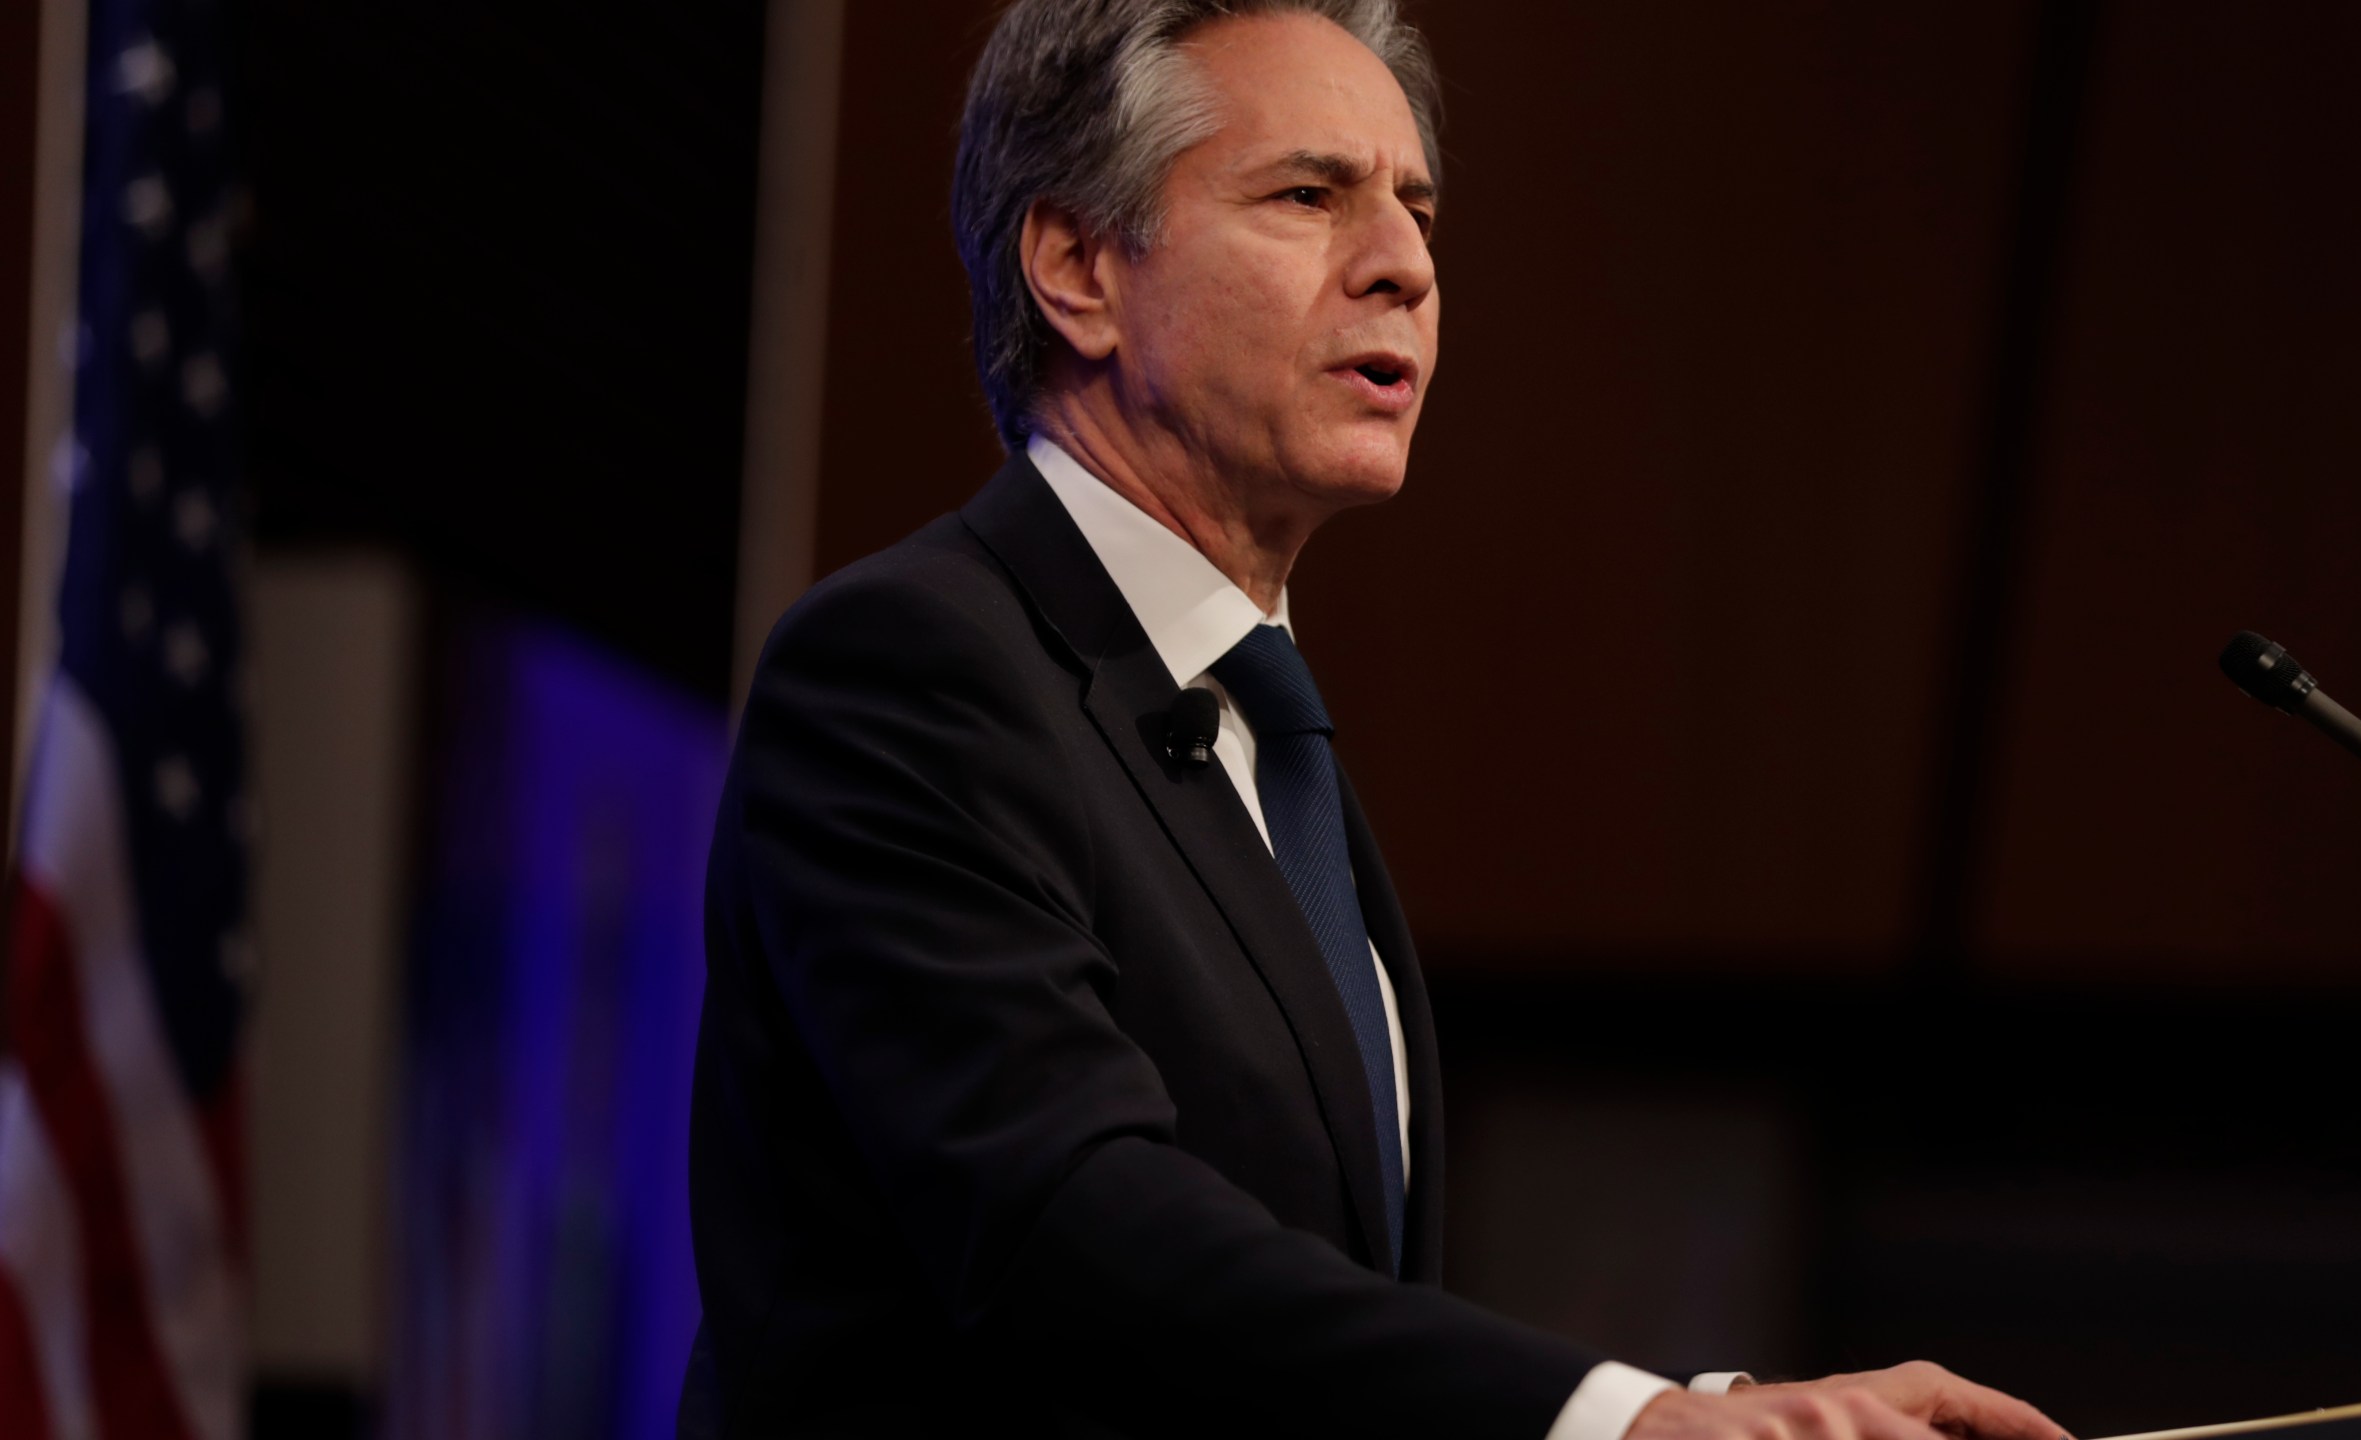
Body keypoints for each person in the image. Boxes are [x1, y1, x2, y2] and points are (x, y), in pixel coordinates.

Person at [681, 3, 2072, 1437]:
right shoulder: (910, 671)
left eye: (1416, 207)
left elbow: (1310, 1328)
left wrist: (1731, 1418)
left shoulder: (1265, 745)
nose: (1406, 265)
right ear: (1079, 268)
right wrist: (1623, 1424)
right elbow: (1071, 1225)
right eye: (1307, 195)